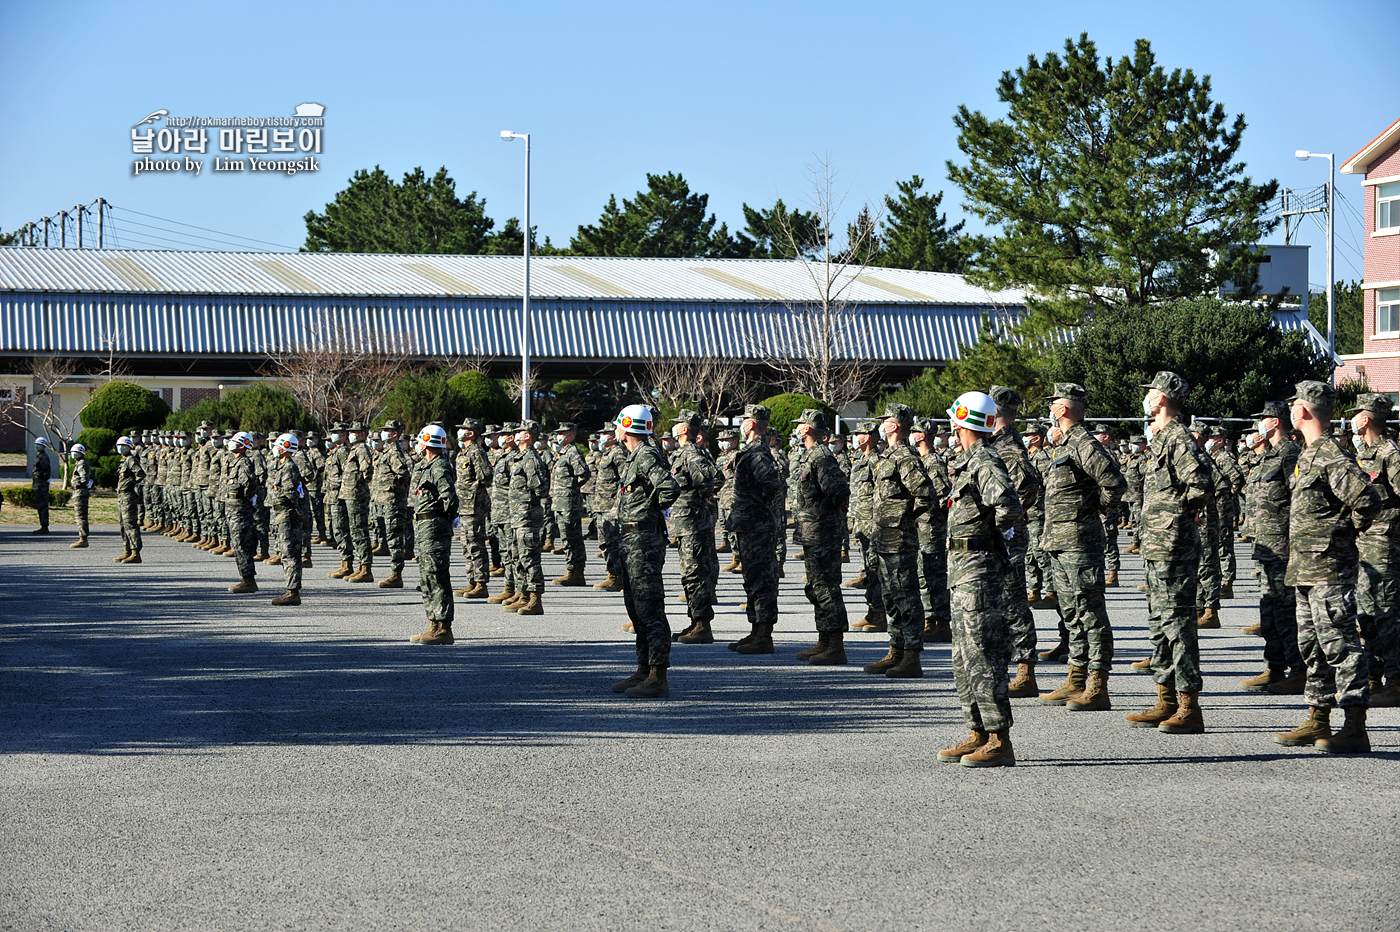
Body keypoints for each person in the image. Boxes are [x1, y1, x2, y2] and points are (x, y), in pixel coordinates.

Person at [1272, 381, 1381, 753]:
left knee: (1340, 643)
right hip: (1304, 566)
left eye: (1293, 406)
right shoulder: (1310, 453)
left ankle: (1355, 726)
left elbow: (1367, 499)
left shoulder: (1331, 454)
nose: (1290, 411)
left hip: (1328, 568)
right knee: (1312, 646)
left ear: (1302, 411)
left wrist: (1341, 535)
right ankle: (1318, 718)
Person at [936, 391, 1023, 767]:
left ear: (962, 421)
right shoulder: (968, 461)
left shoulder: (985, 461)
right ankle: (978, 732)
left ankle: (999, 738)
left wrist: (991, 539)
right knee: (964, 656)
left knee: (984, 655)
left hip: (979, 567)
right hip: (962, 567)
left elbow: (1008, 505)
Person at [1126, 372, 1213, 732]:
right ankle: (1165, 700)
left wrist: (1178, 515)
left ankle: (1189, 706)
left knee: (1178, 626)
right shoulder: (1161, 439)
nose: (1145, 396)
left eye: (1150, 391)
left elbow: (1202, 484)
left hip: (1174, 546)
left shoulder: (1179, 439)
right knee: (1160, 625)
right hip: (1157, 547)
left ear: (1161, 398)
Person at [1037, 384, 1127, 708]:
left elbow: (1114, 482)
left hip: (1079, 541)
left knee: (1090, 613)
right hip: (1059, 542)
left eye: (1053, 404)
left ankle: (1098, 685)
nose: (1049, 409)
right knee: (1071, 612)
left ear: (1062, 409)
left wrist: (1098, 506)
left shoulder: (1083, 443)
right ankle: (1075, 678)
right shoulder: (1065, 444)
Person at [609, 405, 682, 698]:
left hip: (644, 541)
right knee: (636, 607)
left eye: (618, 425)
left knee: (650, 608)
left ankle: (657, 675)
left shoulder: (646, 454)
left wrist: (649, 512)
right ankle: (643, 669)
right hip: (631, 541)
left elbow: (669, 489)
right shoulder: (635, 456)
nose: (616, 430)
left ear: (626, 426)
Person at [863, 403, 935, 679]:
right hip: (883, 538)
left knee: (906, 597)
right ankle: (896, 650)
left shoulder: (905, 457)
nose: (881, 425)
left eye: (884, 421)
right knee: (890, 597)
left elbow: (926, 493)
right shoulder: (888, 455)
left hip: (900, 539)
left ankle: (912, 656)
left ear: (893, 426)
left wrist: (909, 518)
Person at [1239, 401, 1306, 694]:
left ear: (1275, 422)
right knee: (1269, 611)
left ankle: (1298, 671)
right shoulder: (1268, 456)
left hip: (1283, 547)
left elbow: (1300, 499)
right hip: (1265, 545)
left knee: (1285, 612)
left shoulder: (1290, 454)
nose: (1258, 426)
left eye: (1263, 419)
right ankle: (1275, 668)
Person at [988, 386, 1043, 698]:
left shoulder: (1009, 448)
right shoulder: (996, 444)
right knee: (1002, 602)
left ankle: (1025, 670)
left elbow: (1027, 489)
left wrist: (1007, 518)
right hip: (998, 536)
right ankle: (1010, 663)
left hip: (1008, 538)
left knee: (1013, 602)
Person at [1349, 394, 1400, 707]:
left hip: (1384, 546)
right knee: (1366, 615)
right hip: (1363, 546)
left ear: (1365, 418)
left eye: (1356, 413)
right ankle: (1373, 676)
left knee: (1388, 614)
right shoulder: (1364, 453)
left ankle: (1395, 681)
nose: (1353, 418)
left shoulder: (1389, 453)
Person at [791, 410, 851, 665]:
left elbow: (839, 489)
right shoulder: (811, 455)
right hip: (812, 533)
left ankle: (836, 645)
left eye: (800, 425)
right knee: (815, 588)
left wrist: (834, 512)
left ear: (806, 429)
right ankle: (824, 640)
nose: (797, 429)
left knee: (826, 588)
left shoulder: (821, 456)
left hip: (823, 533)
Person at [726, 404, 786, 654]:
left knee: (761, 579)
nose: (741, 424)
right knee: (752, 578)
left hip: (757, 525)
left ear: (750, 424)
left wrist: (761, 502)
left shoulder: (758, 453)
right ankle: (755, 631)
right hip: (749, 524)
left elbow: (773, 482)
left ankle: (764, 635)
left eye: (744, 420)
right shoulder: (750, 451)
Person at [669, 410, 721, 645]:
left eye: (678, 424)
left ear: (684, 429)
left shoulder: (691, 453)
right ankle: (694, 621)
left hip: (693, 523)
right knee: (690, 575)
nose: (675, 428)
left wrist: (704, 494)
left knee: (696, 574)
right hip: (685, 524)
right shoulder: (682, 453)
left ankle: (702, 625)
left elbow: (714, 478)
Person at [408, 424, 461, 645]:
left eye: (420, 440)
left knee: (438, 576)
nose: (417, 445)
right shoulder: (427, 466)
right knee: (427, 577)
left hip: (435, 527)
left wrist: (444, 519)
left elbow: (450, 498)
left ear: (427, 442)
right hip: (424, 527)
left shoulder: (439, 467)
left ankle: (444, 628)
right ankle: (434, 623)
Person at [910, 417, 952, 643]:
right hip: (921, 525)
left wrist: (923, 512)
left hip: (931, 527)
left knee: (933, 576)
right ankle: (930, 619)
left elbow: (942, 496)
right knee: (923, 574)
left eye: (915, 432)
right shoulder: (920, 460)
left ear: (922, 435)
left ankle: (941, 622)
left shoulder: (933, 462)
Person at [505, 420, 549, 615]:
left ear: (528, 435)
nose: (516, 433)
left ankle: (535, 598)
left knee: (529, 558)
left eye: (520, 431)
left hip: (527, 516)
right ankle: (523, 594)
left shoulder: (531, 459)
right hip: (517, 516)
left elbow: (541, 488)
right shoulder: (520, 458)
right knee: (518, 557)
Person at [847, 420, 887, 631]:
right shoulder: (859, 460)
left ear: (869, 437)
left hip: (872, 523)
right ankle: (872, 611)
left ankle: (879, 614)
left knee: (874, 570)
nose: (856, 437)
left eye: (860, 433)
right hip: (861, 522)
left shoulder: (876, 461)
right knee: (867, 571)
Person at [453, 418, 494, 598]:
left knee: (476, 545)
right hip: (464, 505)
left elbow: (485, 475)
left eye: (463, 429)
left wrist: (473, 490)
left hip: (474, 505)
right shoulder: (464, 452)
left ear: (470, 433)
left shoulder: (476, 452)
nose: (459, 432)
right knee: (467, 545)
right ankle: (471, 581)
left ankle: (481, 583)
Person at [549, 422, 592, 586]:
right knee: (566, 537)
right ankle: (571, 570)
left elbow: (584, 474)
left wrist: (572, 489)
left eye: (563, 433)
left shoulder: (573, 452)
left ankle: (577, 572)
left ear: (571, 435)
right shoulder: (563, 453)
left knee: (573, 537)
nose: (559, 436)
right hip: (560, 502)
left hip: (569, 502)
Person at [370, 419, 412, 589]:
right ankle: (395, 573)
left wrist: (398, 488)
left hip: (393, 501)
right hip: (385, 500)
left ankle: (396, 574)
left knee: (395, 538)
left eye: (388, 430)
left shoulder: (394, 452)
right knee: (390, 536)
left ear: (395, 433)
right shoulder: (386, 451)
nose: (384, 433)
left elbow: (403, 473)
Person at [267, 433, 306, 606]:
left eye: (277, 446)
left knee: (290, 553)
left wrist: (281, 501)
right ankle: (291, 589)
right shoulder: (281, 466)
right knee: (286, 552)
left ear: (284, 448)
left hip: (287, 513)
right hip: (282, 513)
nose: (275, 448)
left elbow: (291, 493)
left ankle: (293, 592)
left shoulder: (289, 466)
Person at [223, 432, 260, 593]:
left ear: (242, 445)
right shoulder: (235, 461)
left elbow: (250, 486)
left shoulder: (243, 462)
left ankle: (249, 580)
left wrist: (243, 500)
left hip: (240, 509)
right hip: (233, 508)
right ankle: (245, 578)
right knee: (238, 545)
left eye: (234, 442)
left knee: (242, 544)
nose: (231, 444)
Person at [591, 429, 626, 593]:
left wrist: (618, 504)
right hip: (601, 506)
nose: (602, 437)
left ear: (613, 436)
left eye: (605, 434)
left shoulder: (618, 453)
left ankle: (620, 576)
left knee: (614, 543)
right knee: (604, 543)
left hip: (611, 507)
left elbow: (625, 480)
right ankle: (612, 574)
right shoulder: (606, 454)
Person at [340, 422, 376, 583]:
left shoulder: (361, 449)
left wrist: (362, 485)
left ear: (363, 434)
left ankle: (366, 568)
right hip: (350, 495)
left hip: (357, 496)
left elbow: (367, 470)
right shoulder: (355, 449)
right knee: (355, 531)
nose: (352, 434)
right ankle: (361, 566)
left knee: (359, 531)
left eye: (355, 432)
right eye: (351, 431)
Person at [113, 435, 146, 563]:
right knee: (123, 525)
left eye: (123, 446)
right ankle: (127, 550)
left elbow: (141, 474)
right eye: (119, 446)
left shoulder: (131, 460)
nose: (121, 448)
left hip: (128, 495)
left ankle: (135, 552)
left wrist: (132, 483)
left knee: (131, 524)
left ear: (129, 447)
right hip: (121, 496)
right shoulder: (124, 460)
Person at [69, 443, 94, 548]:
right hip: (78, 492)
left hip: (80, 492)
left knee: (81, 516)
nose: (74, 454)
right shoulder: (79, 463)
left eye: (77, 452)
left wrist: (77, 482)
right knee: (79, 515)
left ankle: (83, 538)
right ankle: (82, 537)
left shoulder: (81, 464)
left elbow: (84, 478)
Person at [31, 437, 52, 534]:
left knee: (42, 505)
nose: (37, 446)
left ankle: (44, 526)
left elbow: (46, 471)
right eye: (36, 444)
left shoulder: (43, 457)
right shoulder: (39, 456)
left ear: (44, 446)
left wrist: (42, 480)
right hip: (37, 483)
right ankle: (43, 525)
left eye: (39, 445)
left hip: (41, 483)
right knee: (39, 505)